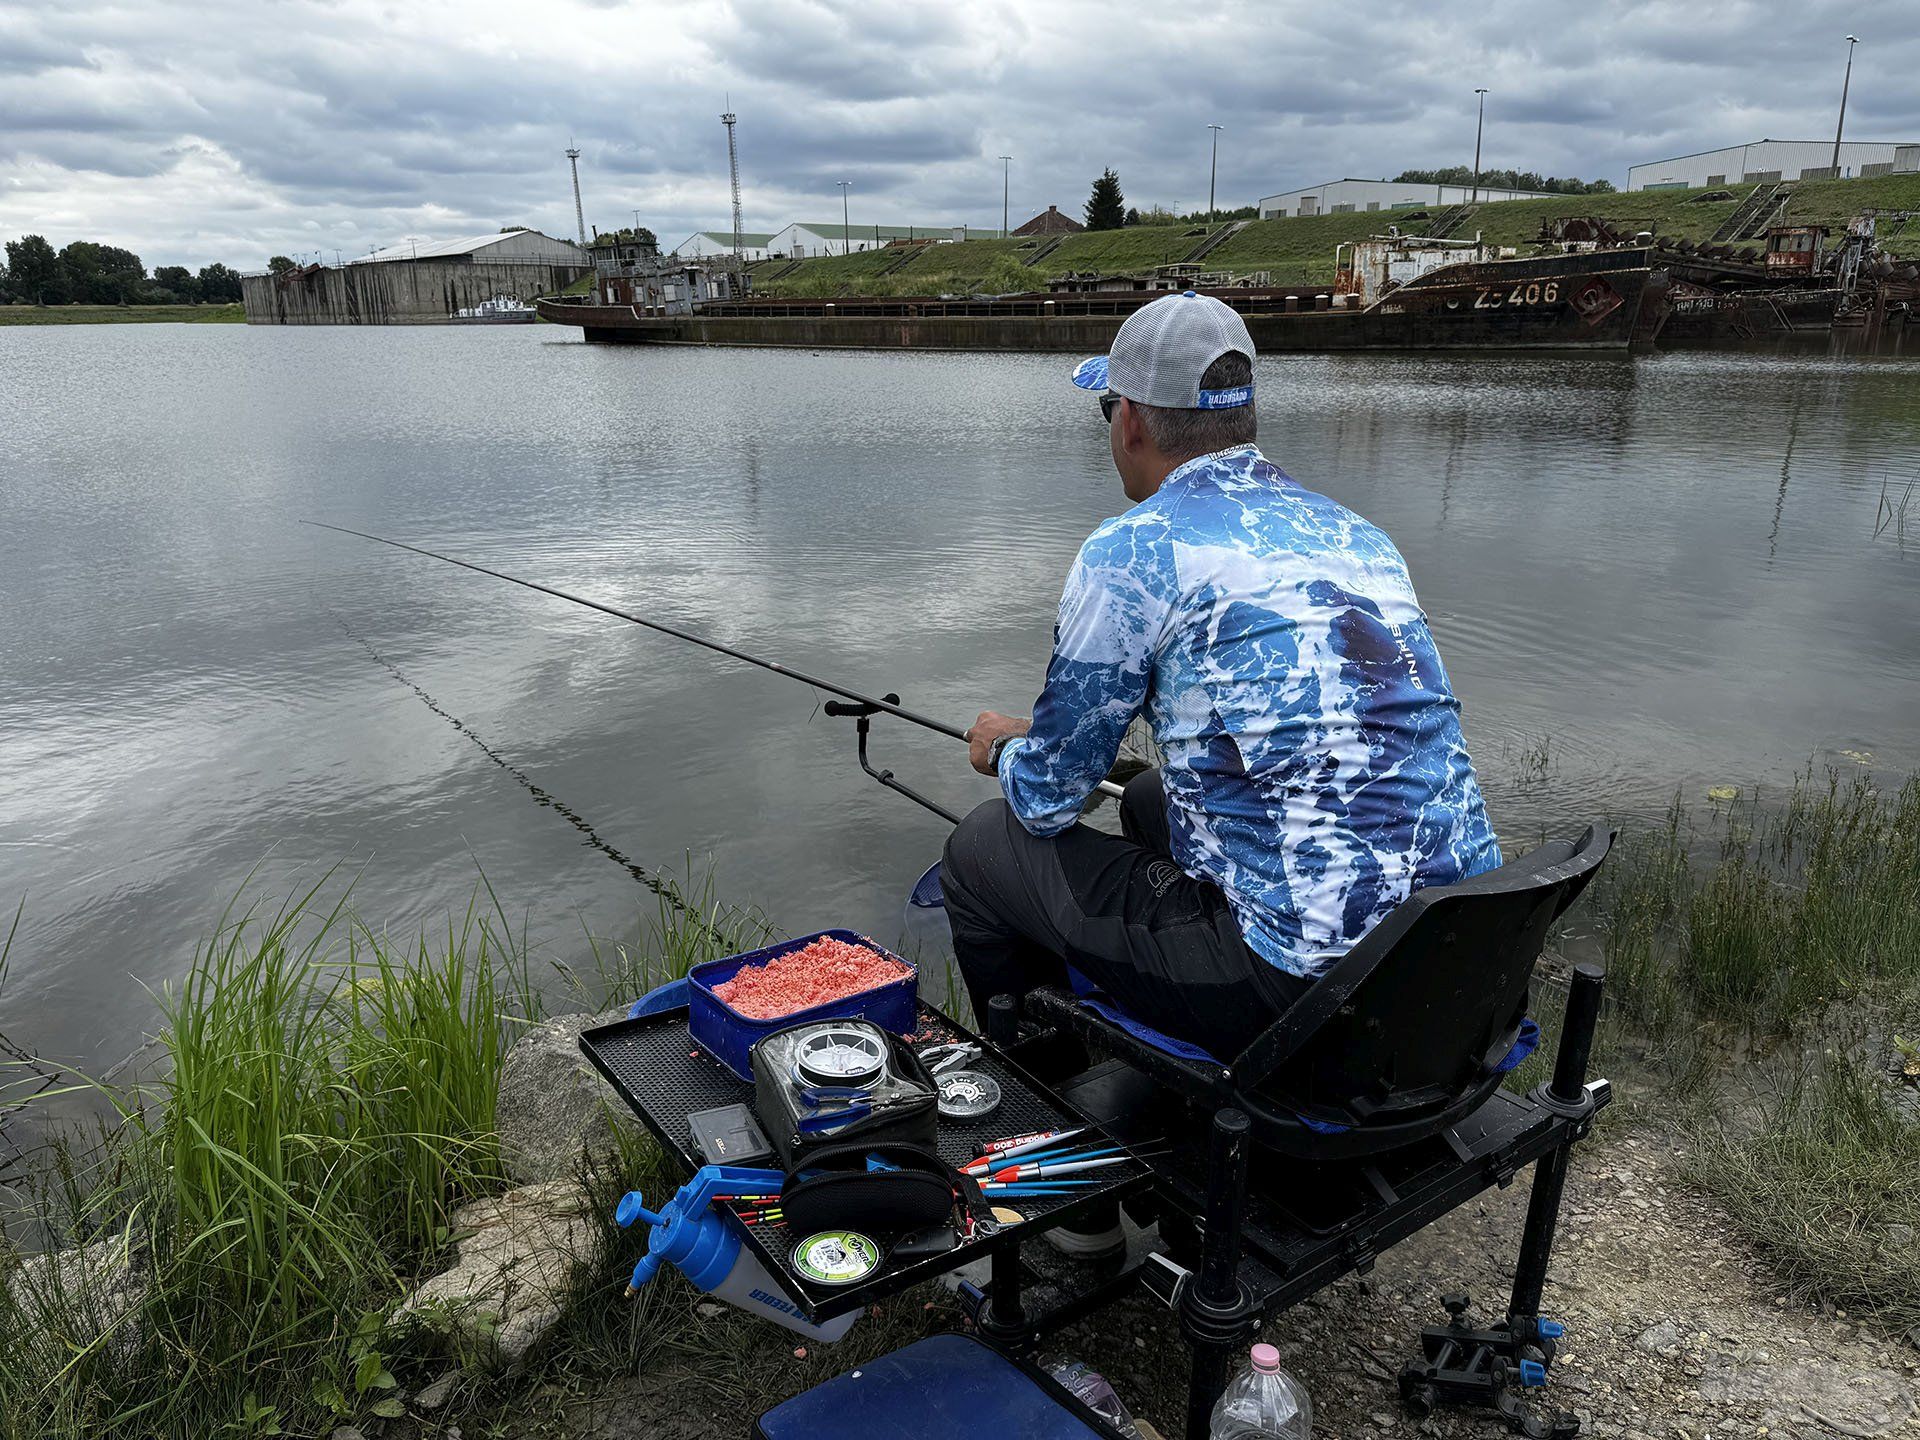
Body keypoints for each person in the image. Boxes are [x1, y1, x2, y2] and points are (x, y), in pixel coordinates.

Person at [942, 290, 1502, 1068]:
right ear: (1243, 418)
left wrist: (1006, 750)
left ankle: (1046, 1095)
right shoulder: (1355, 533)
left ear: (1131, 419)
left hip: (1301, 998)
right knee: (1145, 797)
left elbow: (1045, 799)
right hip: (1460, 965)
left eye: (1107, 407)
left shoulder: (1135, 549)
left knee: (980, 848)